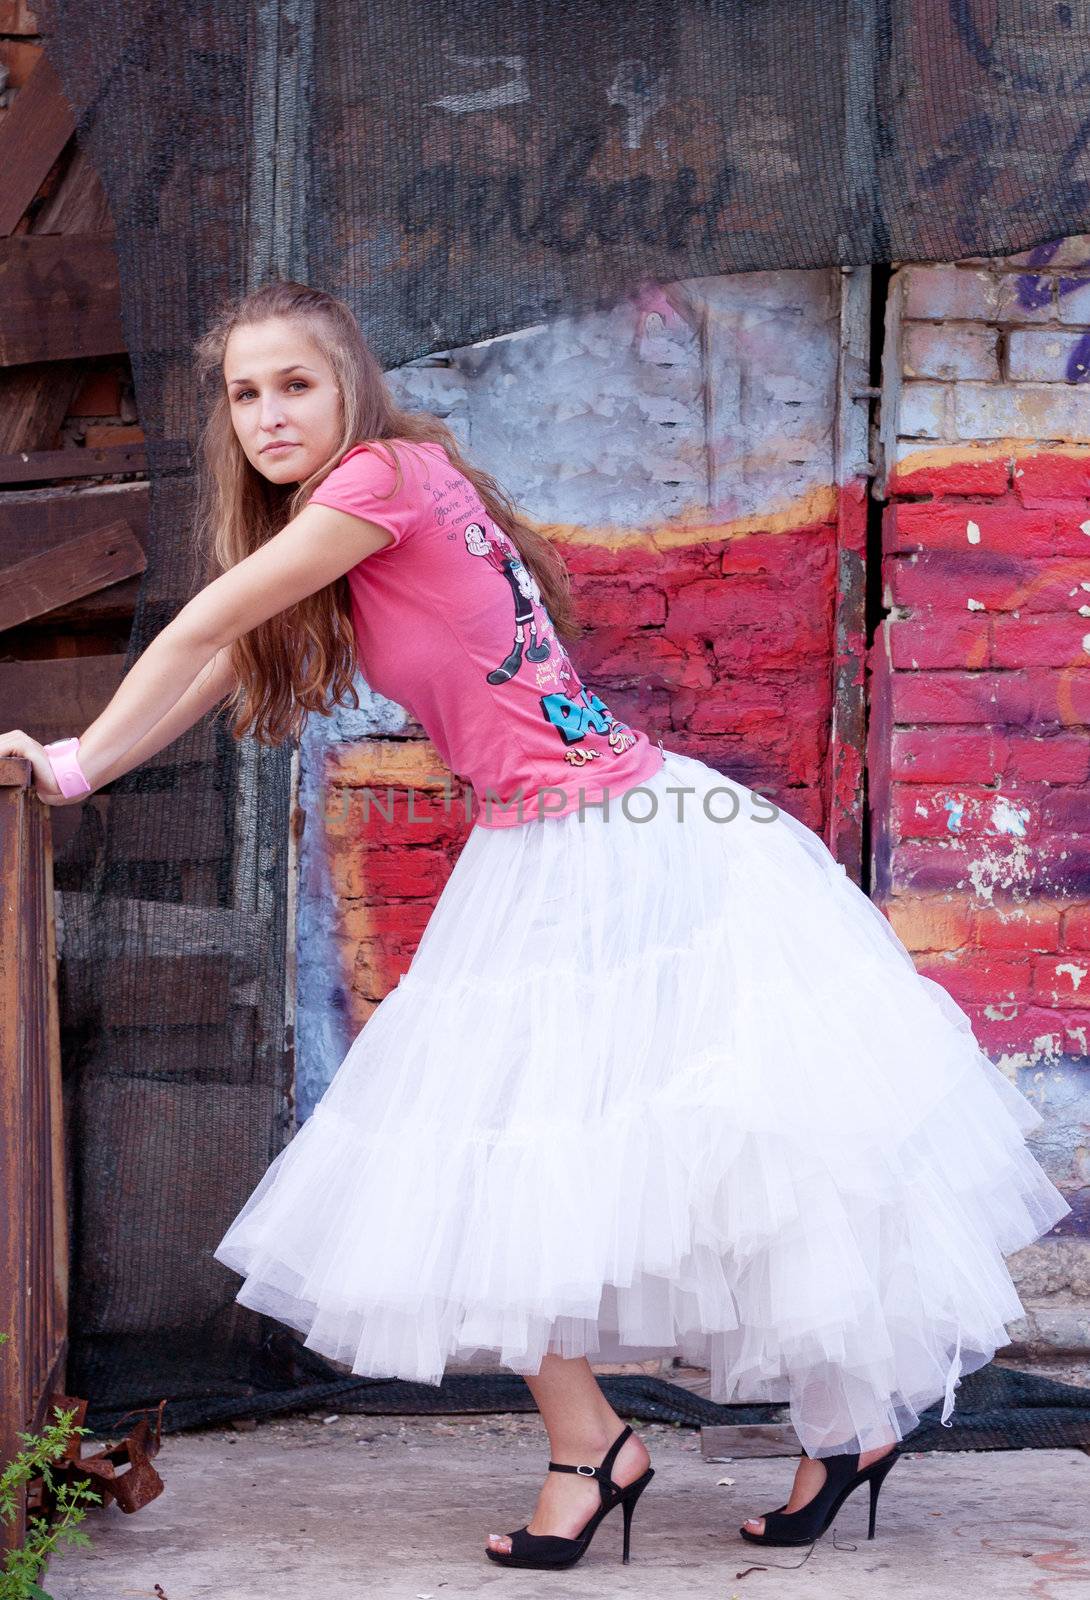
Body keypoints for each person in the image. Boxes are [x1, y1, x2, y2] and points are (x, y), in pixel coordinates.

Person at [3, 281, 1070, 1570]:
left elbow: (206, 623)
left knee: (604, 1156)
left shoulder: (385, 478)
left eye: (296, 385)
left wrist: (69, 763)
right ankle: (631, 1442)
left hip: (617, 847)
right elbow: (226, 656)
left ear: (350, 391)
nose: (270, 414)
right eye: (244, 394)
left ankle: (803, 1424)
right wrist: (86, 769)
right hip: (559, 845)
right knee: (514, 1169)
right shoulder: (355, 515)